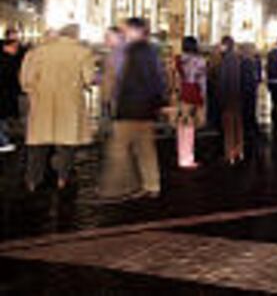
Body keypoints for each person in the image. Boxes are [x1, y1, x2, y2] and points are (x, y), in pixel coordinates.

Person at [98, 18, 167, 200]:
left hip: (130, 107)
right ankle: (152, 185)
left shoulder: (131, 51)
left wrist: (113, 100)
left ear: (136, 31)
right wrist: (157, 104)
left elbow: (124, 81)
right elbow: (158, 80)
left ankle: (119, 187)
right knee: (146, 149)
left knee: (119, 148)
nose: (124, 33)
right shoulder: (152, 51)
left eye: (126, 29)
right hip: (145, 108)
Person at [19, 24, 95, 191]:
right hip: (70, 105)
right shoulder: (83, 52)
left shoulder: (37, 52)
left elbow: (26, 80)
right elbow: (89, 78)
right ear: (75, 35)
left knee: (38, 145)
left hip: (42, 103)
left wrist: (34, 92)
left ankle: (33, 180)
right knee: (66, 144)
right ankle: (62, 179)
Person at [174, 36, 206, 168]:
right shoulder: (199, 61)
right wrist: (203, 96)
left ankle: (182, 155)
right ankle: (188, 157)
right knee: (190, 125)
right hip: (194, 91)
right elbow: (202, 81)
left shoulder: (178, 60)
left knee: (182, 124)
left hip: (182, 92)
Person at [214, 36, 244, 164]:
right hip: (238, 97)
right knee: (238, 125)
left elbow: (222, 81)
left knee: (228, 127)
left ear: (225, 45)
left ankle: (229, 153)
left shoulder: (225, 61)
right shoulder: (238, 60)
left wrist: (220, 97)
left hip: (227, 97)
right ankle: (239, 151)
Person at [0, 29, 25, 153]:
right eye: (14, 44)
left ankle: (6, 139)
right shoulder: (6, 60)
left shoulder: (18, 53)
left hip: (10, 93)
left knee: (4, 117)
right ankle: (4, 141)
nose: (16, 46)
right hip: (5, 93)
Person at [240, 43, 261, 140]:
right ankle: (250, 128)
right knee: (250, 109)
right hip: (249, 89)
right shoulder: (250, 62)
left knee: (248, 109)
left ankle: (248, 128)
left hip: (246, 89)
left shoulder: (244, 62)